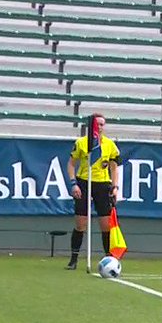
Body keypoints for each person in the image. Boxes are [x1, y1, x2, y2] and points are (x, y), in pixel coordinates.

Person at [65, 113, 120, 271]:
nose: (100, 127)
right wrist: (73, 184)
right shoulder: (82, 143)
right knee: (81, 223)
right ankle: (74, 259)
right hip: (84, 181)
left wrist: (115, 187)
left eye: (103, 124)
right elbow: (71, 164)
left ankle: (109, 258)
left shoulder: (109, 145)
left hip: (102, 184)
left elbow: (114, 167)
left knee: (105, 224)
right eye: (98, 124)